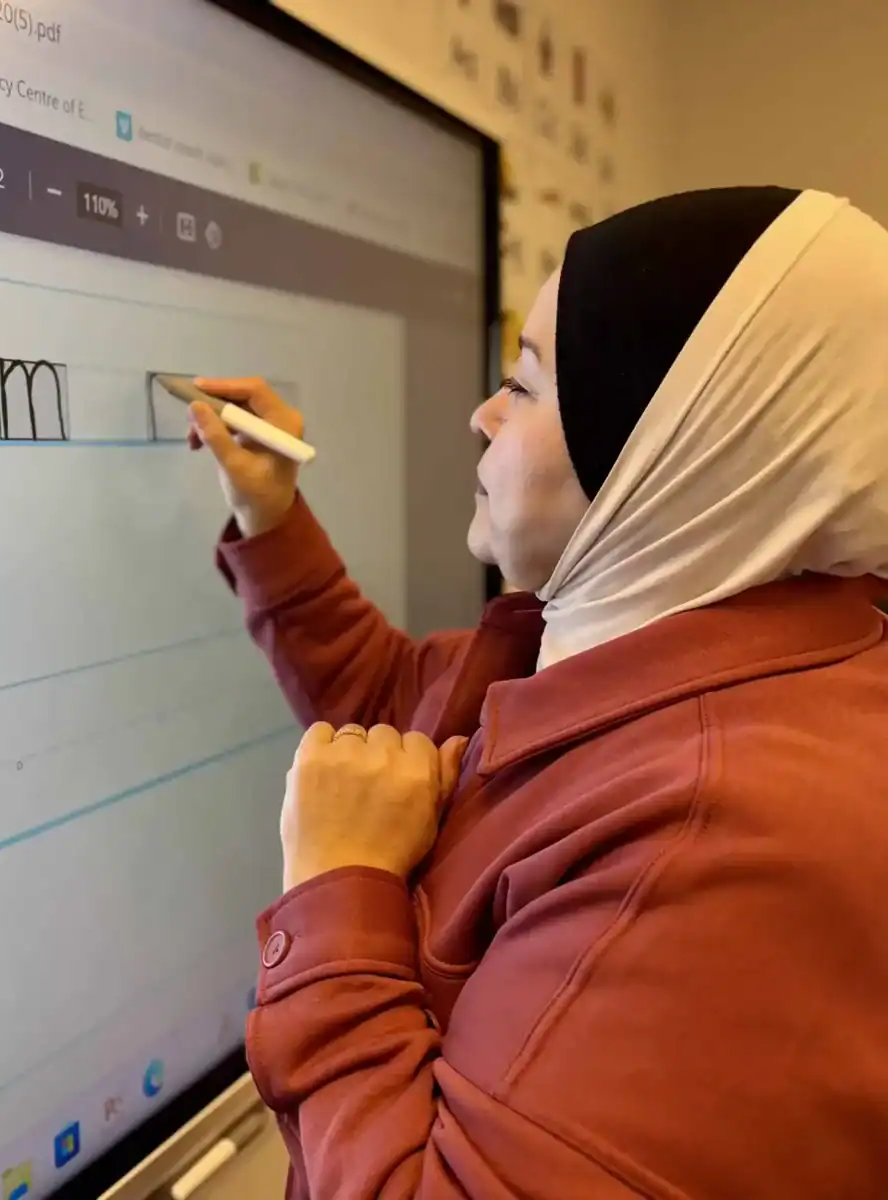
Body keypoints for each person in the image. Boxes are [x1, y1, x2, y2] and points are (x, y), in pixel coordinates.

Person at [188, 186, 888, 1198]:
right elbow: (407, 716)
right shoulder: (656, 642)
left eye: (524, 383)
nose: (481, 418)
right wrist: (272, 517)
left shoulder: (728, 842)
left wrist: (337, 890)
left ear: (667, 445)